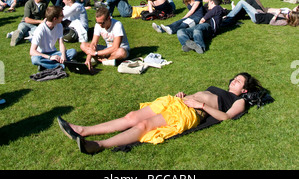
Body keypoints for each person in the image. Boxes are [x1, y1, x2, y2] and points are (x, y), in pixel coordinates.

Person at [57, 72, 264, 154]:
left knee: (143, 127)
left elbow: (226, 117)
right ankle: (83, 130)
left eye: (238, 81)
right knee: (131, 116)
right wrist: (184, 95)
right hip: (175, 101)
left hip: (190, 112)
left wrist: (202, 106)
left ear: (244, 90)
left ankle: (96, 145)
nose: (233, 81)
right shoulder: (221, 90)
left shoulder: (238, 102)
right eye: (234, 78)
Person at [30, 6, 77, 70]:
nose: (63, 16)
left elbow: (61, 43)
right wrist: (50, 57)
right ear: (55, 19)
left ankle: (46, 65)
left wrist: (63, 55)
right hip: (42, 54)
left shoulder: (59, 25)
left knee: (72, 52)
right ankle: (60, 65)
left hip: (54, 52)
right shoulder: (40, 29)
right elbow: (32, 51)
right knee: (35, 60)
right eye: (61, 15)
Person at [222, 0, 299, 27]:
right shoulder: (286, 17)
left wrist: (276, 14)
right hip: (260, 14)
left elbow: (272, 23)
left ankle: (229, 17)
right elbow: (294, 12)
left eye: (289, 14)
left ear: (291, 18)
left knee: (242, 2)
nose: (288, 13)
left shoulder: (284, 21)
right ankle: (233, 15)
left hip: (258, 17)